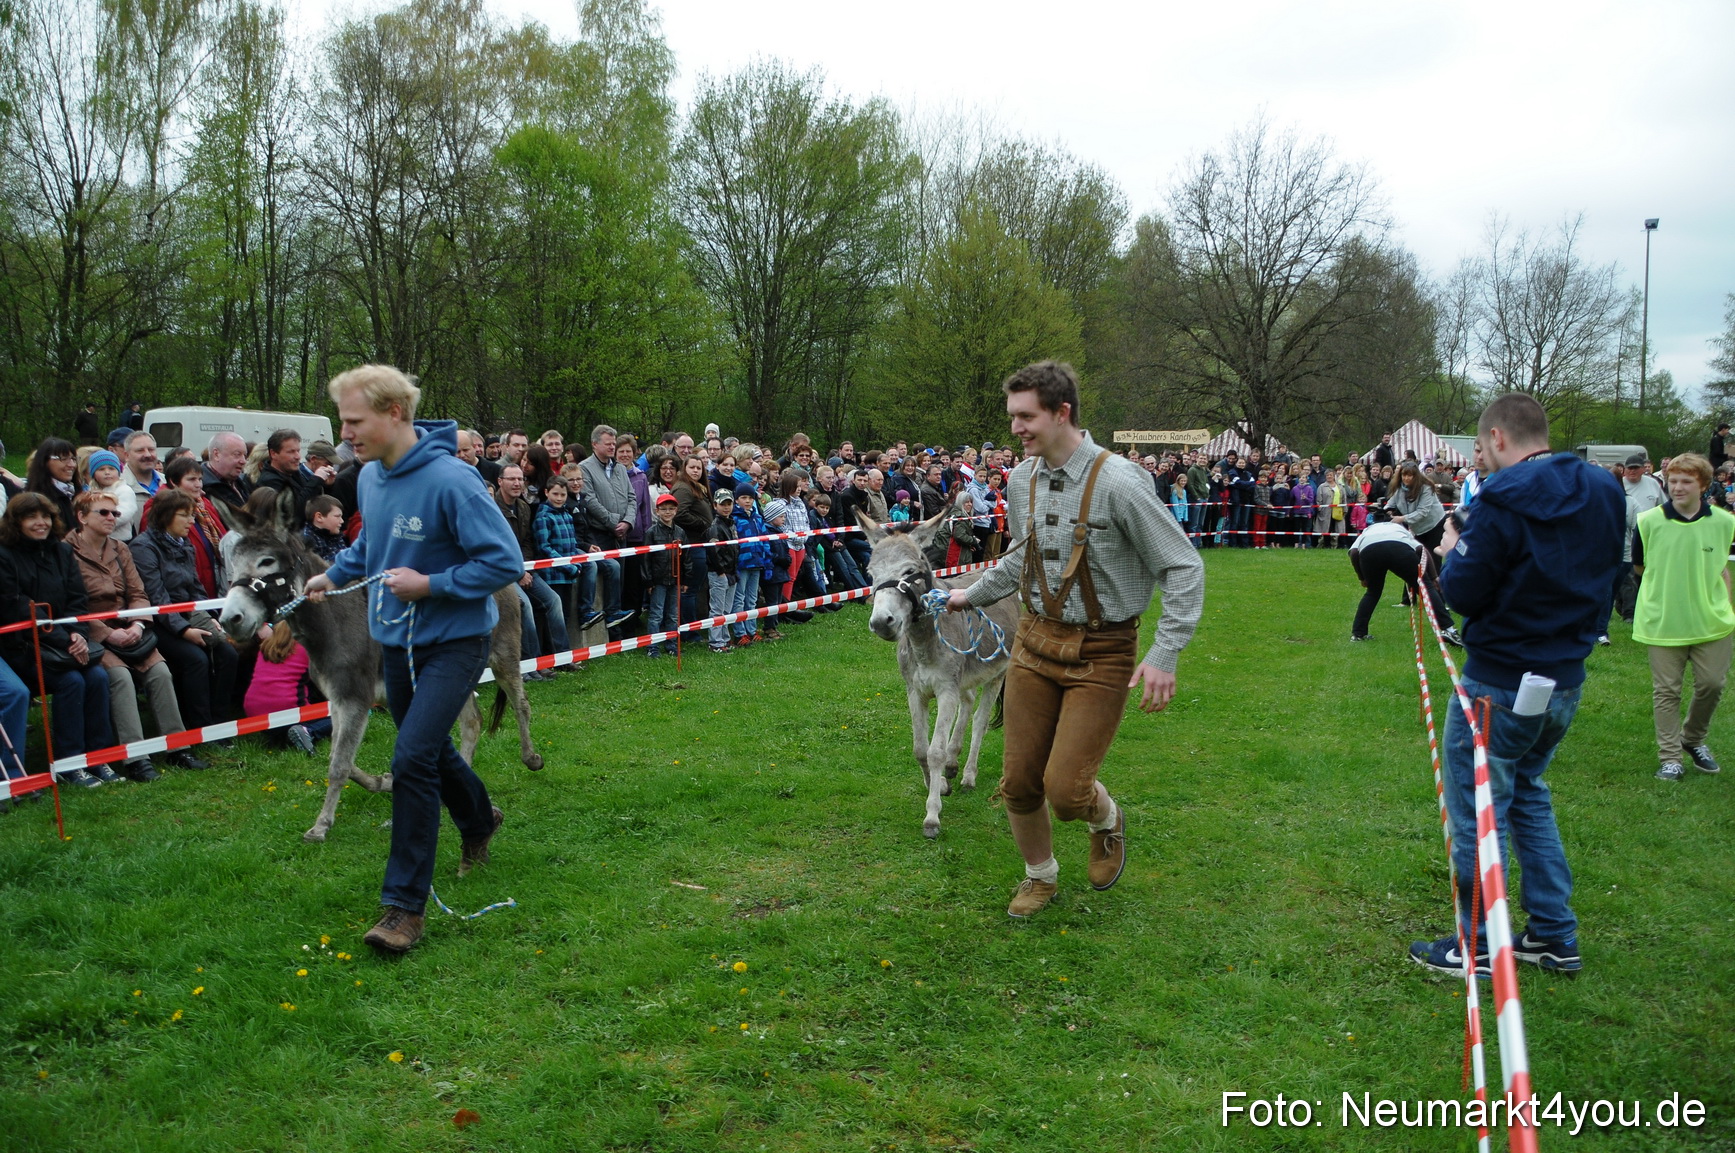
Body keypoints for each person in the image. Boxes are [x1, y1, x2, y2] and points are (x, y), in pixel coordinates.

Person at [945, 361, 1204, 918]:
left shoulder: (1119, 481)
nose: (1014, 428)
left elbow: (1183, 566)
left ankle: (1107, 822)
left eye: (1025, 416)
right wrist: (970, 592)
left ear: (1062, 414)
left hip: (1102, 651)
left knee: (1066, 791)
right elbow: (1022, 557)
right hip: (1034, 642)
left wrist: (1164, 653)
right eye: (1012, 415)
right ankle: (1039, 876)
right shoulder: (1021, 481)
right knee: (1018, 782)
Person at [303, 364, 522, 955]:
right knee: (430, 749)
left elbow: (505, 563)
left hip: (454, 640)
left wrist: (432, 584)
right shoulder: (369, 476)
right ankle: (480, 820)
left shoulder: (454, 481)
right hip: (394, 640)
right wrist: (333, 574)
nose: (345, 433)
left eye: (354, 420)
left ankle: (403, 909)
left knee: (413, 758)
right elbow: (372, 544)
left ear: (394, 413)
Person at [1409, 393, 1623, 978]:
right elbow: (1611, 568)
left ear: (1498, 438)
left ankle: (1475, 944)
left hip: (1500, 681)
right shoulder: (1605, 487)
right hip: (1563, 677)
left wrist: (1452, 551)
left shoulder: (1501, 496)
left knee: (1481, 808)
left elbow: (1467, 591)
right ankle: (1554, 934)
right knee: (1527, 790)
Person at [67, 489, 201, 778]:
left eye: (114, 513)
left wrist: (138, 624)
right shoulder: (67, 551)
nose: (111, 518)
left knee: (161, 672)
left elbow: (139, 593)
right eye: (102, 512)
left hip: (131, 628)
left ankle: (178, 747)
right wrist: (106, 634)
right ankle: (135, 757)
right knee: (120, 678)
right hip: (93, 633)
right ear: (81, 517)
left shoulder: (120, 548)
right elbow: (72, 605)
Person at [1631, 453, 1735, 781]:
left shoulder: (1725, 521)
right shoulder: (1648, 522)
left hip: (1712, 621)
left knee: (1712, 684)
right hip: (1663, 621)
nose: (1677, 487)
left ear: (1703, 485)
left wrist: (1726, 605)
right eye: (1673, 480)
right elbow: (1639, 568)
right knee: (1667, 691)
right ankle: (1670, 757)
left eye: (1686, 481)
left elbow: (1722, 567)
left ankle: (1692, 739)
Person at [0, 493, 114, 787]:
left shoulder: (62, 552)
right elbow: (18, 605)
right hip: (23, 646)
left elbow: (78, 597)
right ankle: (68, 763)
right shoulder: (5, 555)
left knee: (98, 677)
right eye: (32, 517)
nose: (41, 523)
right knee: (71, 682)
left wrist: (79, 633)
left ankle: (98, 757)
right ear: (17, 522)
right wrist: (66, 639)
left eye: (46, 516)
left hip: (67, 642)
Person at [129, 490, 239, 733]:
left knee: (228, 654)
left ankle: (219, 721)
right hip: (160, 622)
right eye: (185, 515)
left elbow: (196, 588)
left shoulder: (184, 544)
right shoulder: (143, 548)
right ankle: (200, 726)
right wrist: (185, 630)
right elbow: (157, 597)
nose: (192, 521)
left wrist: (209, 618)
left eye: (192, 515)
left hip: (190, 616)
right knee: (195, 659)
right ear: (167, 516)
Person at [495, 463, 569, 680]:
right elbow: (496, 547)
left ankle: (561, 658)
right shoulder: (491, 508)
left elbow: (528, 542)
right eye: (511, 479)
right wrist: (518, 573)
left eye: (520, 479)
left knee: (553, 601)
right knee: (524, 606)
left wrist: (526, 569)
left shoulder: (524, 507)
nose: (517, 483)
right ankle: (529, 665)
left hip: (525, 569)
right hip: (501, 574)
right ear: (500, 481)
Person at [1346, 518, 1459, 644]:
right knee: (1426, 588)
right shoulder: (1400, 528)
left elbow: (1354, 552)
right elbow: (1421, 550)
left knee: (1372, 593)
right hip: (1399, 549)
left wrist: (1362, 578)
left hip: (1370, 551)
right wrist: (1433, 577)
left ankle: (1358, 634)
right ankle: (1448, 629)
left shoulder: (1368, 530)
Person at [255, 430, 325, 531]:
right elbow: (295, 513)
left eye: (298, 451)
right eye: (291, 452)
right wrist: (316, 480)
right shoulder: (269, 482)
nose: (298, 457)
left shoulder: (293, 473)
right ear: (273, 453)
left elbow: (315, 502)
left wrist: (327, 484)